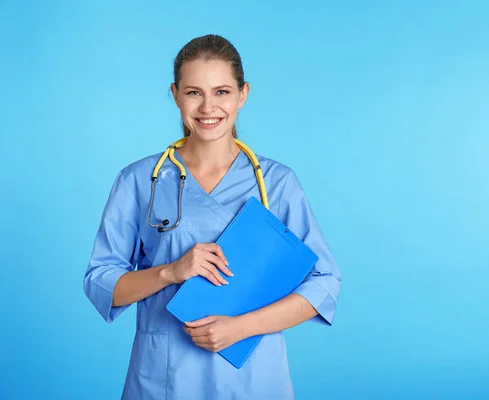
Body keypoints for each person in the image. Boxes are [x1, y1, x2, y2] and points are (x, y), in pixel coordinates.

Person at [83, 34, 342, 400]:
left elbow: (324, 283)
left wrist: (241, 327)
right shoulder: (141, 181)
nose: (208, 107)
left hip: (253, 375)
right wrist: (170, 272)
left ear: (243, 94)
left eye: (221, 92)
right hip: (164, 377)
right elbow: (101, 280)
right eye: (193, 92)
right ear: (175, 94)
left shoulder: (276, 183)